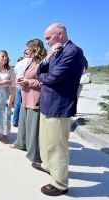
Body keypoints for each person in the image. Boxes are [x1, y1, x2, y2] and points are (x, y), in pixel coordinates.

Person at [33, 23, 85, 196]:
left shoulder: (73, 52)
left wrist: (42, 77)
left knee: (57, 146)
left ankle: (60, 183)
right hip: (48, 103)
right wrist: (47, 58)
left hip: (59, 106)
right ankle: (48, 166)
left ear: (60, 35)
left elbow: (53, 78)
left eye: (48, 37)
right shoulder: (57, 52)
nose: (46, 41)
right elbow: (42, 71)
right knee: (47, 142)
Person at [11, 39, 47, 165]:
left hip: (35, 98)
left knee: (33, 129)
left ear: (34, 48)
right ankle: (22, 144)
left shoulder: (43, 62)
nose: (26, 50)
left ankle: (34, 155)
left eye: (28, 48)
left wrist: (28, 82)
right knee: (24, 125)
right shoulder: (31, 61)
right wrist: (22, 80)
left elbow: (43, 81)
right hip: (25, 97)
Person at [11, 55, 32, 127]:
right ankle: (20, 121)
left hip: (18, 86)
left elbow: (14, 75)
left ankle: (15, 121)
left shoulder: (17, 65)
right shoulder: (28, 64)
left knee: (17, 104)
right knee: (24, 105)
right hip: (25, 86)